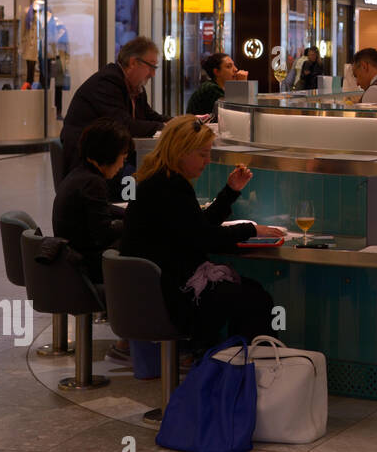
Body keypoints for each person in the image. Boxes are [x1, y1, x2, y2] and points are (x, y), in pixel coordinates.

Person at [120, 116, 282, 348]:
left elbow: (195, 228)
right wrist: (252, 229)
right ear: (180, 151)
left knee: (250, 293)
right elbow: (205, 238)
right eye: (202, 154)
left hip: (151, 288)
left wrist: (230, 192)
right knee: (256, 299)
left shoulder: (158, 180)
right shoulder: (171, 187)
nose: (208, 161)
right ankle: (246, 363)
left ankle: (223, 359)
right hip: (172, 294)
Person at [59, 36, 166, 180]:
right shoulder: (107, 83)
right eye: (151, 66)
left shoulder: (135, 87)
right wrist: (167, 127)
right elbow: (125, 126)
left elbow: (150, 116)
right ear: (133, 62)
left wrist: (179, 122)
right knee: (146, 177)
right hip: (87, 164)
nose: (153, 74)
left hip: (110, 158)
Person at [52, 118, 131, 283]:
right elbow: (103, 234)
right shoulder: (93, 183)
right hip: (87, 266)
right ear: (108, 154)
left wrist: (129, 213)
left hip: (70, 258)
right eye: (122, 158)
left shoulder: (78, 175)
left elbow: (103, 208)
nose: (122, 165)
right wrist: (133, 222)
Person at [186, 52, 246, 117]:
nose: (236, 69)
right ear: (216, 72)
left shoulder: (218, 87)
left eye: (234, 65)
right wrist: (242, 84)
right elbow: (235, 114)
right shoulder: (210, 88)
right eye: (229, 66)